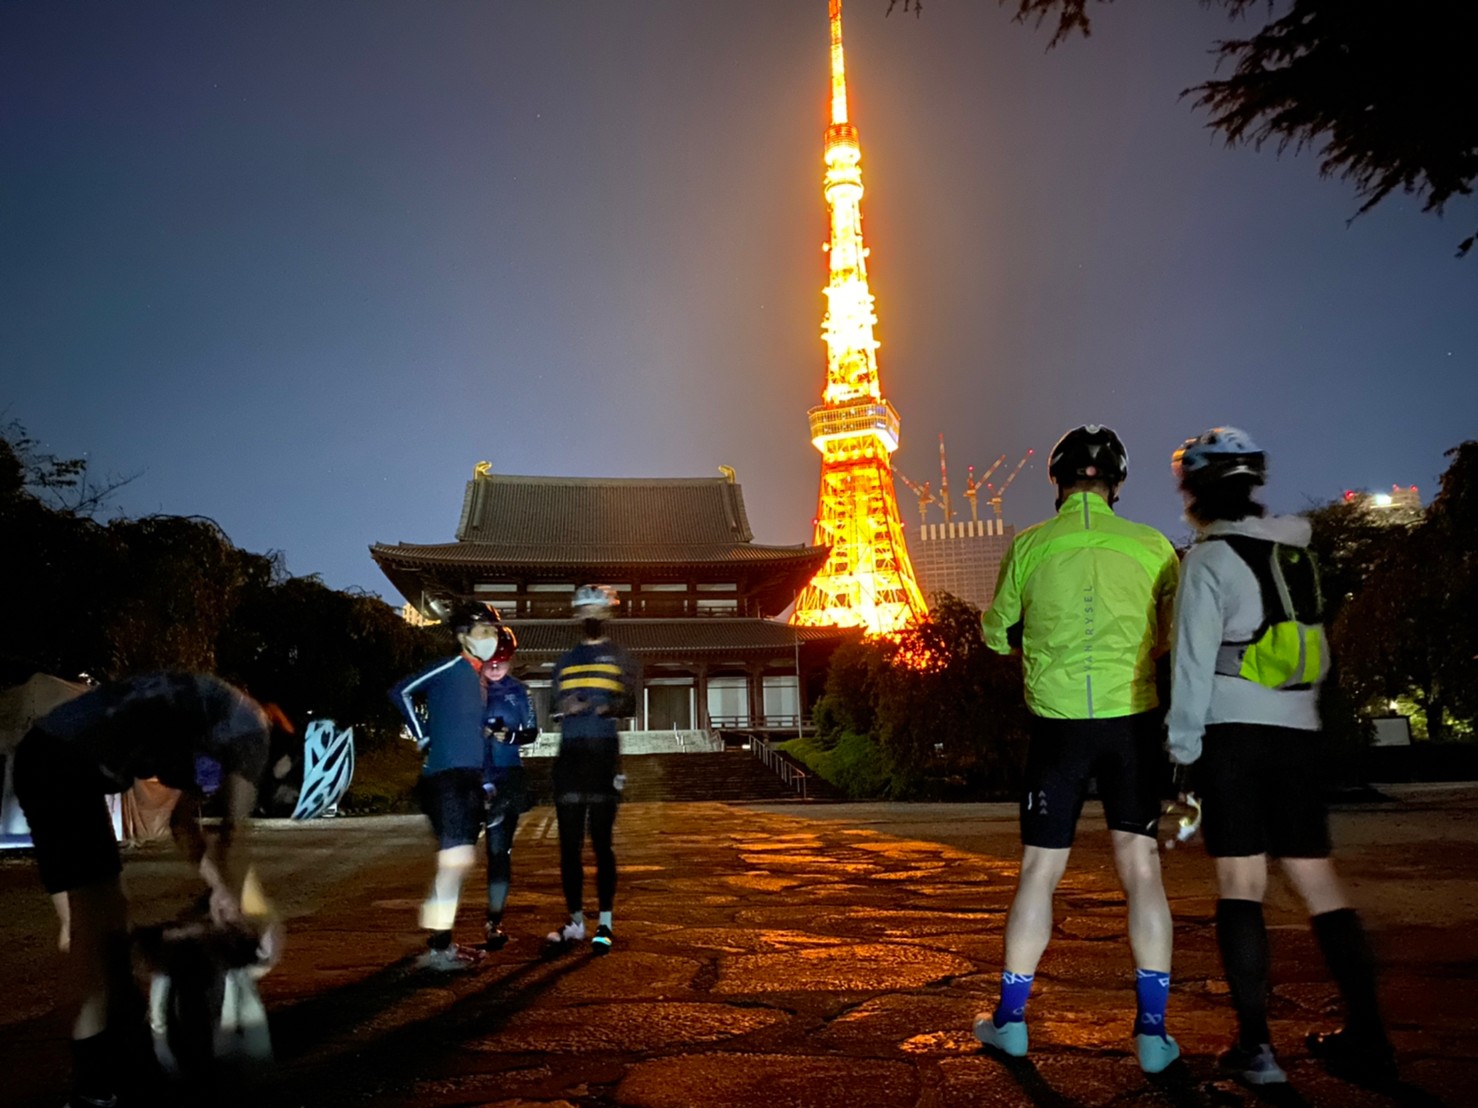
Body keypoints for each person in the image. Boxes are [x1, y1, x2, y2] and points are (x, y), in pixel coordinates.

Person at [1166, 426, 1394, 1086]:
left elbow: (1190, 668)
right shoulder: (1298, 557)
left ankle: (1257, 1049)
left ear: (1194, 491)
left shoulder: (1207, 561)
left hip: (1234, 734)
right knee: (1319, 882)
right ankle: (1372, 1037)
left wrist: (1183, 755)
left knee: (1242, 886)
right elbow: (1316, 653)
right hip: (1298, 733)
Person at [974, 424, 1182, 1074]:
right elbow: (1170, 635)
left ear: (1058, 482)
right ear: (1117, 484)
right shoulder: (1154, 548)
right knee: (1142, 871)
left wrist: (1029, 650)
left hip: (1058, 727)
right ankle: (1151, 1034)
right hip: (1133, 722)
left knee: (1039, 872)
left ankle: (1011, 1023)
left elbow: (992, 630)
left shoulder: (1030, 546)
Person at [12, 672, 271, 1108]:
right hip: (61, 767)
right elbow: (232, 836)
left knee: (97, 925)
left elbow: (183, 824)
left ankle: (114, 1059)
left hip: (57, 761)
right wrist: (232, 900)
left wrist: (220, 890)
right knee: (93, 937)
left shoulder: (213, 713)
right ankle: (94, 1084)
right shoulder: (247, 739)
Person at [390, 601, 512, 970]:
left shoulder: (479, 681)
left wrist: (487, 780)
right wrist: (423, 735)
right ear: (463, 636)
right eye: (483, 631)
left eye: (494, 631)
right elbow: (401, 691)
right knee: (454, 862)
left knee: (456, 863)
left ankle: (440, 942)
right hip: (446, 779)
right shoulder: (452, 666)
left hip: (468, 779)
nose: (491, 638)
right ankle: (438, 948)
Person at [544, 584, 640, 956]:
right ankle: (575, 920)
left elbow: (629, 700)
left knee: (601, 842)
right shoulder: (564, 661)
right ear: (576, 615)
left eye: (597, 610)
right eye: (584, 610)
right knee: (568, 845)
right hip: (569, 754)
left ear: (608, 614)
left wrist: (608, 708)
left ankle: (605, 923)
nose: (591, 617)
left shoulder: (621, 657)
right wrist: (565, 705)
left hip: (602, 753)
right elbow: (553, 703)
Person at [480, 623, 538, 951]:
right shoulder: (472, 690)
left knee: (499, 852)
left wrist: (510, 736)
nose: (496, 666)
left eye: (503, 660)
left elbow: (532, 731)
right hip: (472, 774)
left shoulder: (518, 692)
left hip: (507, 775)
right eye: (491, 659)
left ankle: (494, 919)